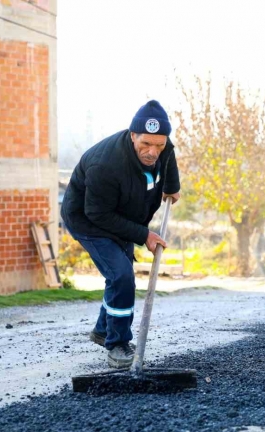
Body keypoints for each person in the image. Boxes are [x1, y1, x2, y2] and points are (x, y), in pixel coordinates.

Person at [61, 100, 180, 368]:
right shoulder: (105, 165)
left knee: (119, 274)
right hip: (89, 220)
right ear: (132, 135)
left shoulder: (163, 146)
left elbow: (169, 155)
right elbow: (98, 214)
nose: (153, 152)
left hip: (122, 215)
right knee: (122, 275)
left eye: (158, 145)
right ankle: (117, 344)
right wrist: (143, 234)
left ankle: (103, 330)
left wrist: (172, 186)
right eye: (146, 144)